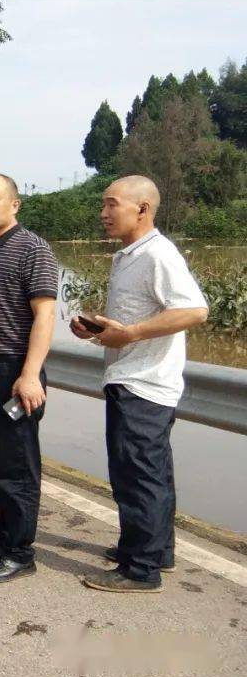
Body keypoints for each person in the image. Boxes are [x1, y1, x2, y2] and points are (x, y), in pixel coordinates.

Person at [71, 175, 208, 594]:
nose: (103, 213)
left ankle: (140, 569)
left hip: (143, 384)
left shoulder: (158, 254)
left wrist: (128, 335)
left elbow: (193, 310)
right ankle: (155, 550)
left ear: (142, 209)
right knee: (152, 474)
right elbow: (133, 319)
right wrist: (98, 331)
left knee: (136, 477)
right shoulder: (129, 256)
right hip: (134, 380)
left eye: (112, 204)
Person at [0, 174, 58, 582]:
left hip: (14, 371)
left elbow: (46, 314)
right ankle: (4, 530)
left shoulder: (32, 248)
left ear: (15, 205)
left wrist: (30, 374)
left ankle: (19, 551)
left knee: (16, 462)